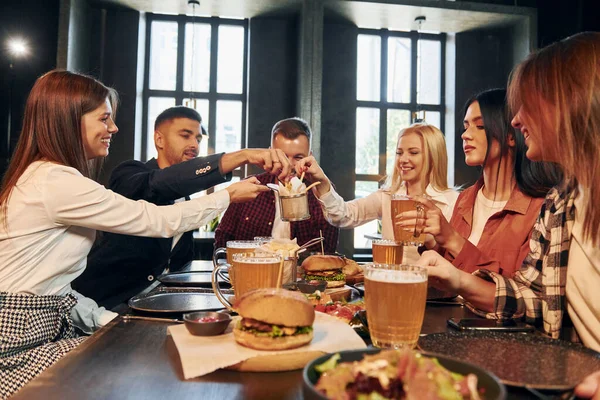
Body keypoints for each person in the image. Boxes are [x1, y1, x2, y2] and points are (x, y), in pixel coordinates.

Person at [0, 70, 275, 397]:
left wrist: (118, 326)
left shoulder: (49, 177)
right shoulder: (57, 181)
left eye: (198, 137)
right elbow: (158, 218)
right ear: (69, 120)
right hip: (17, 341)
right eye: (104, 119)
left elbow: (58, 294)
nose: (113, 128)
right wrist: (228, 192)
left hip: (49, 324)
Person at [414, 32, 600, 399]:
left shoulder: (538, 201)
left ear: (569, 104)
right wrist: (458, 280)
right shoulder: (561, 203)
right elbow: (534, 299)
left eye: (528, 104)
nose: (515, 120)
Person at [72, 106, 294, 309]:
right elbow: (159, 185)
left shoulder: (187, 198)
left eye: (198, 138)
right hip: (107, 304)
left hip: (160, 304)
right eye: (185, 135)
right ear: (159, 139)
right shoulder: (129, 173)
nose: (195, 145)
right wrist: (242, 157)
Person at [398, 89, 561, 276]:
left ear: (511, 135)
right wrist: (432, 242)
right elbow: (450, 275)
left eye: (480, 126)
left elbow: (517, 294)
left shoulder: (539, 208)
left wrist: (452, 239)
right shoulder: (465, 199)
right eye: (466, 126)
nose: (465, 135)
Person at [295, 123, 458, 264]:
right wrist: (322, 181)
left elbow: (462, 261)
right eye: (399, 152)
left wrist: (431, 241)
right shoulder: (387, 196)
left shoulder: (453, 202)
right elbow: (343, 216)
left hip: (437, 297)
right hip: (392, 289)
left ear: (434, 156)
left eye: (413, 152)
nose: (403, 159)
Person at [215, 117, 339, 253]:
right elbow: (223, 239)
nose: (290, 164)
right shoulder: (249, 186)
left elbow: (328, 248)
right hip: (253, 271)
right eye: (282, 156)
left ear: (309, 156)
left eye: (298, 157)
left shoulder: (321, 190)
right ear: (269, 153)